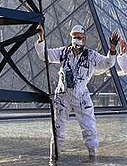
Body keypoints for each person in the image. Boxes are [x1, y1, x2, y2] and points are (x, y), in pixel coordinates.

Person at [34, 24, 118, 157]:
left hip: (81, 96)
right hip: (62, 95)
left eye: (79, 37)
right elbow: (45, 55)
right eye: (74, 37)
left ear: (84, 39)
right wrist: (41, 37)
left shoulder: (91, 55)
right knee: (57, 129)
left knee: (89, 129)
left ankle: (92, 157)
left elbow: (107, 63)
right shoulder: (64, 52)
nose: (76, 40)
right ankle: (54, 159)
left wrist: (112, 49)